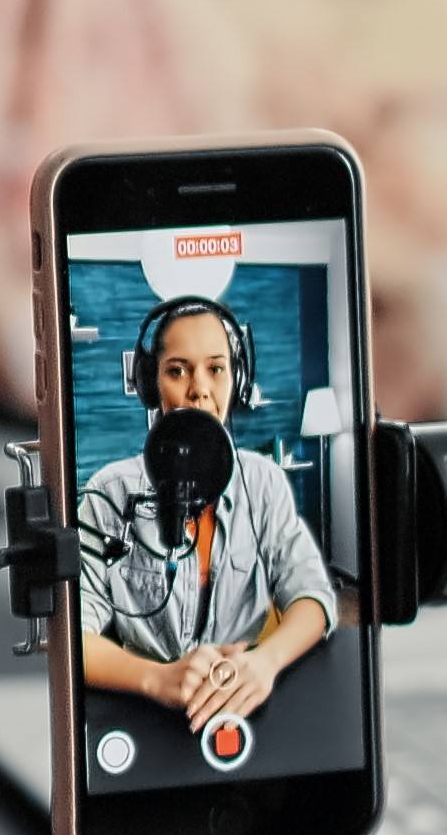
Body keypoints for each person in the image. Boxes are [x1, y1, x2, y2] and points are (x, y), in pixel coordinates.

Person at [74, 297, 331, 731]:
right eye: (177, 370)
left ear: (238, 380)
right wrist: (155, 678)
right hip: (143, 714)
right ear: (149, 384)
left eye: (216, 369)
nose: (199, 389)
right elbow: (72, 637)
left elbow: (314, 597)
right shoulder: (110, 492)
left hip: (246, 711)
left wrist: (264, 664)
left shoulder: (263, 482)